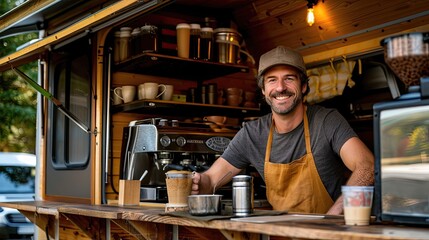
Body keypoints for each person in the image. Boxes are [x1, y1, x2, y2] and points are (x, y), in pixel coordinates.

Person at [191, 46, 374, 214]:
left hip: (328, 233)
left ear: (303, 86)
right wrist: (199, 183)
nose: (280, 88)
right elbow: (212, 180)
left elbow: (367, 166)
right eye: (272, 80)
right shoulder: (253, 134)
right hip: (281, 232)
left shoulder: (326, 121)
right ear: (263, 89)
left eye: (289, 78)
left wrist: (335, 214)